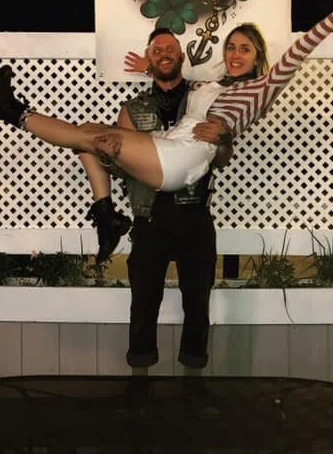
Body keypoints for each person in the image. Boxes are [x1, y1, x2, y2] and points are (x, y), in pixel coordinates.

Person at [0, 0, 333, 195]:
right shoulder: (208, 86)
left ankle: (10, 110)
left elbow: (304, 46)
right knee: (89, 134)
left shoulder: (262, 87)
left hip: (185, 156)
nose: (235, 54)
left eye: (245, 49)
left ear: (257, 58)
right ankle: (106, 213)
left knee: (92, 137)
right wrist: (149, 66)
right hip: (171, 142)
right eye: (231, 47)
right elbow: (178, 75)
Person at [79, 27, 231, 369]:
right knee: (143, 308)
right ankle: (139, 384)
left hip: (195, 217)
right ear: (149, 58)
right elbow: (122, 168)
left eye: (170, 48)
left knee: (198, 307)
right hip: (149, 219)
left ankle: (194, 385)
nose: (164, 53)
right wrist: (108, 156)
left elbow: (221, 161)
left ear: (181, 56)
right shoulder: (132, 109)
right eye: (157, 49)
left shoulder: (204, 99)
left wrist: (223, 140)